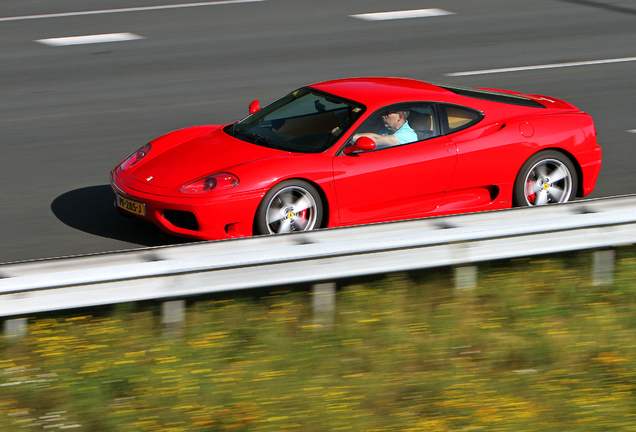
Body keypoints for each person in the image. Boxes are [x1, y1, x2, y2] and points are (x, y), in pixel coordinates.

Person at [352, 109, 418, 148]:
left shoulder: (408, 135)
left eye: (387, 113)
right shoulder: (387, 129)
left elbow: (376, 139)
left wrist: (348, 138)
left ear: (400, 117)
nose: (383, 116)